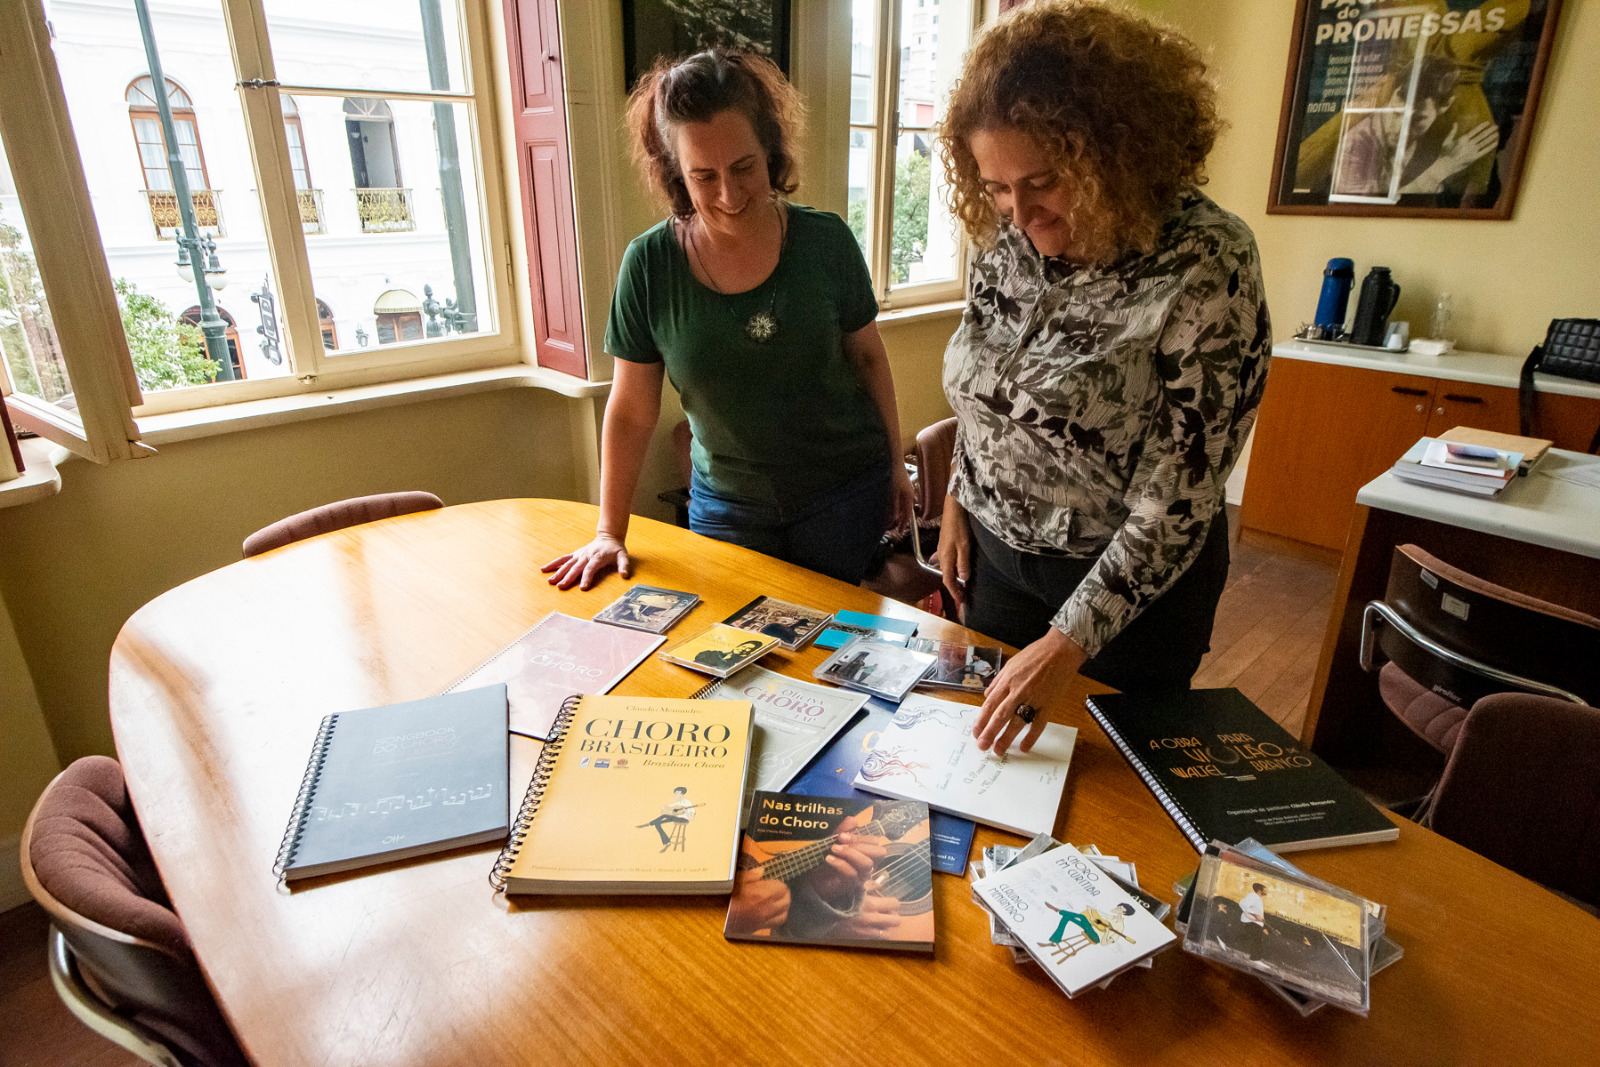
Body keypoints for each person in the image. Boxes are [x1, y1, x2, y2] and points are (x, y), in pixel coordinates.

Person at [935, 1, 1273, 756]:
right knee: (991, 768)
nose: (1016, 212)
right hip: (997, 559)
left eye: (1042, 182)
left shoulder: (1206, 261)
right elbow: (986, 384)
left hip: (1128, 596)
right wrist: (962, 496)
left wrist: (1068, 642)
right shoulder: (1004, 239)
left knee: (1112, 796)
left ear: (1111, 155)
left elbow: (1180, 493)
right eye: (993, 186)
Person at [542, 49, 913, 591]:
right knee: (732, 659)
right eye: (703, 176)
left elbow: (867, 356)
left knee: (827, 659)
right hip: (728, 510)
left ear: (772, 152)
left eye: (744, 168)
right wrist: (608, 530)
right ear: (675, 174)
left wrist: (897, 465)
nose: (728, 194)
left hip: (843, 495)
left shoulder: (827, 240)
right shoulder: (648, 265)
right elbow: (630, 411)